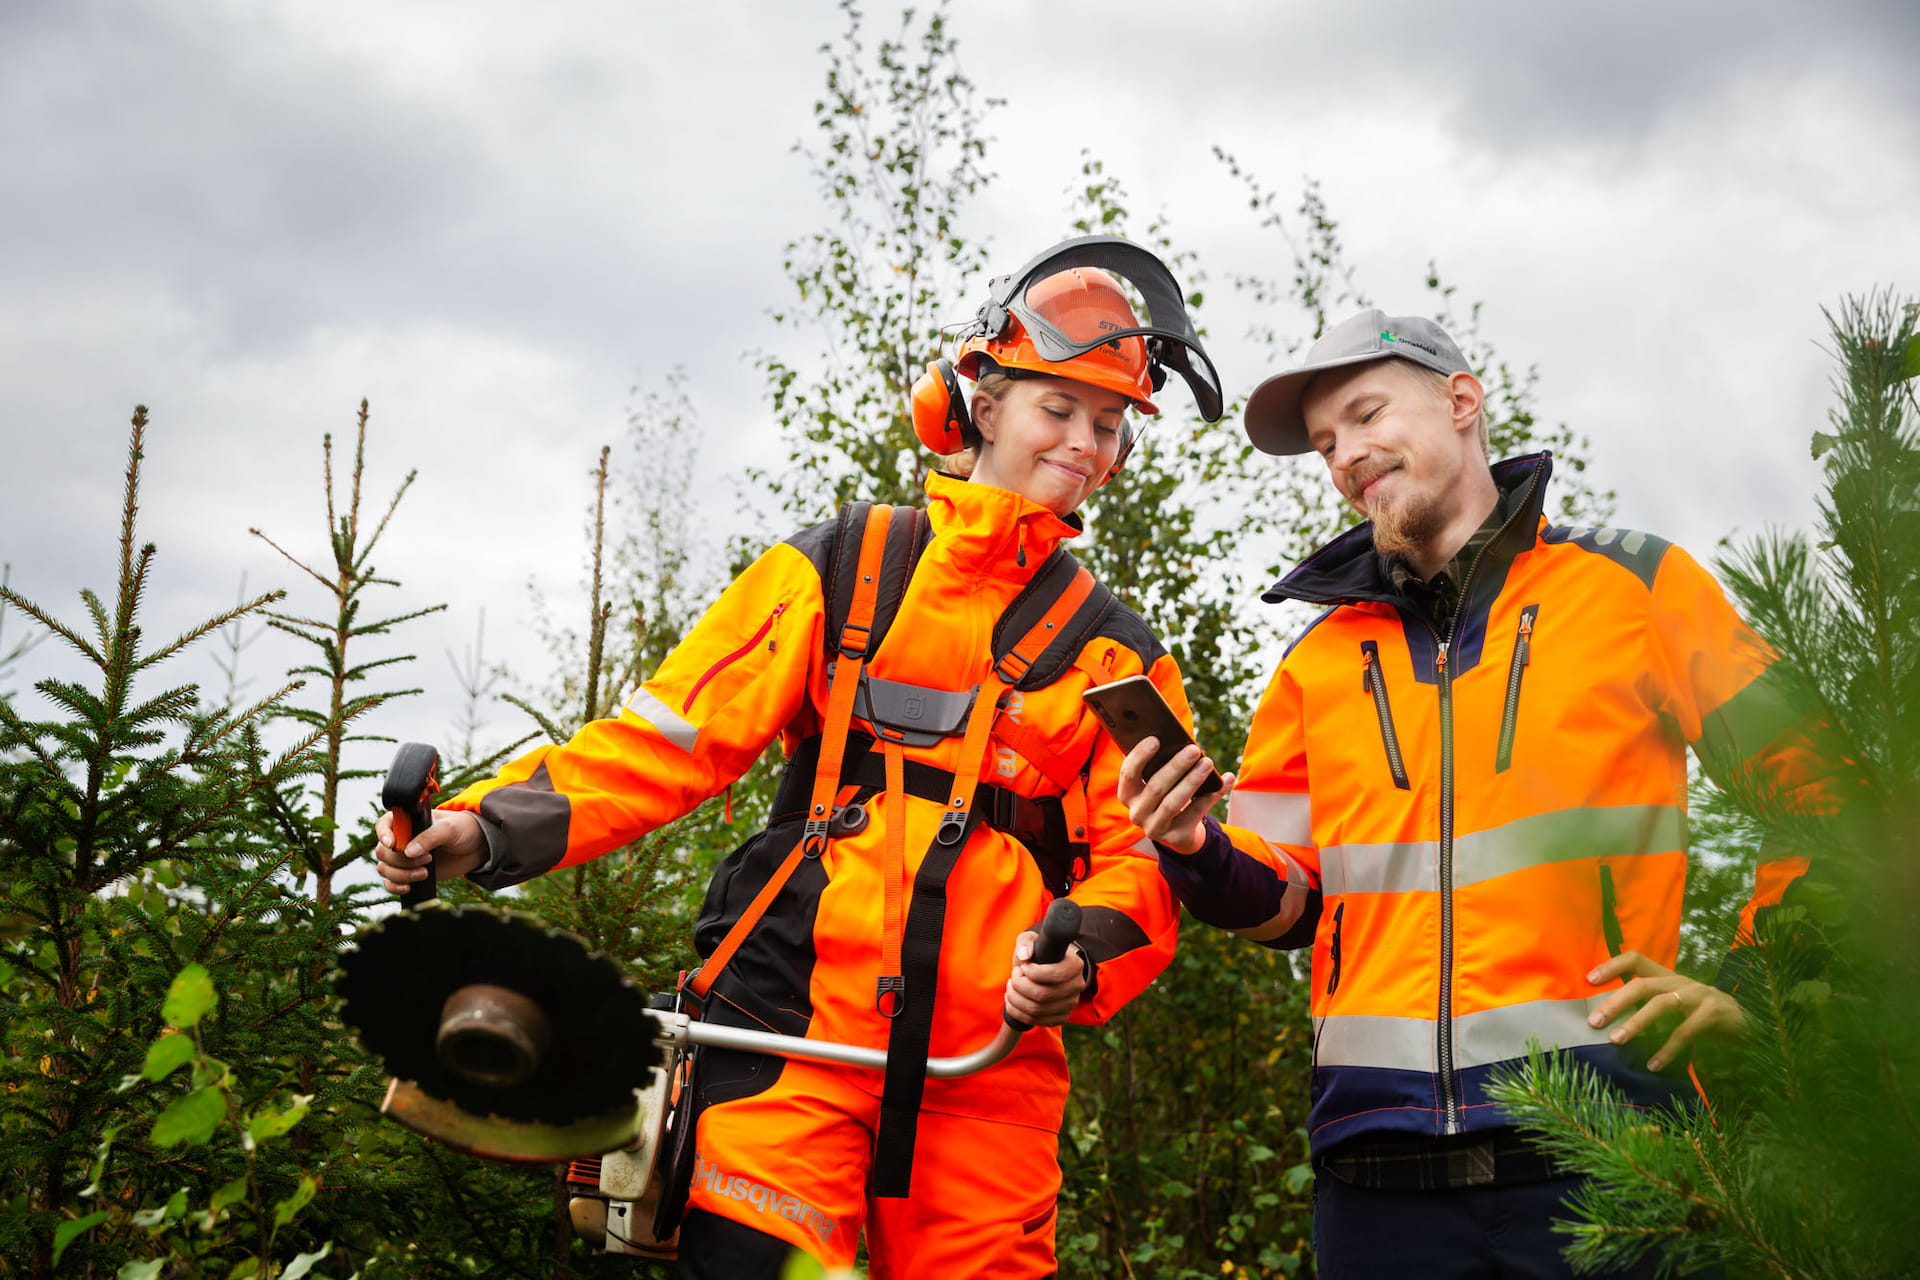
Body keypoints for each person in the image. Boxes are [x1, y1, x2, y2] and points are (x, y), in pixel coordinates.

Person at [375, 237, 1225, 1279]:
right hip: (790, 1035)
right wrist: (481, 827)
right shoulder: (844, 565)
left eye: (1110, 424)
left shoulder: (1119, 650)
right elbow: (669, 738)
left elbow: (1146, 863)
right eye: (1060, 409)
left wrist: (1080, 956)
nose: (1088, 443)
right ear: (980, 403)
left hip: (986, 1071)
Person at [1120, 309, 1808, 1278]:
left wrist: (1758, 990)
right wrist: (1191, 843)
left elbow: (1828, 798)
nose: (1347, 454)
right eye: (1325, 443)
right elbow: (1285, 902)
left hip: (1608, 1166)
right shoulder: (1316, 662)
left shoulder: (1637, 586)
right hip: (1374, 1190)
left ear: (1462, 400)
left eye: (1365, 415)